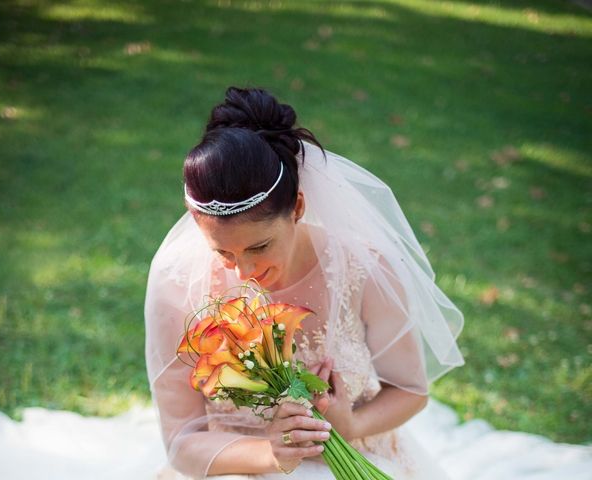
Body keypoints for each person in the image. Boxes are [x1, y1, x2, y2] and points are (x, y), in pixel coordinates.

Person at [144, 86, 465, 479]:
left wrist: (350, 426)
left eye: (260, 246)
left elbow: (411, 391)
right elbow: (181, 441)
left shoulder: (362, 267)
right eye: (224, 253)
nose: (244, 272)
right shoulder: (176, 280)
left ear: (297, 207)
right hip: (232, 467)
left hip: (353, 457)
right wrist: (271, 454)